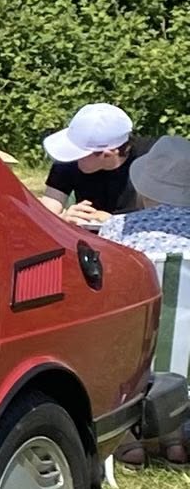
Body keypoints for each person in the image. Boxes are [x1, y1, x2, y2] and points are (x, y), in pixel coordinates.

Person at [99, 135, 190, 466]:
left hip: (134, 353)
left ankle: (127, 434)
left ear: (144, 188)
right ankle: (176, 431)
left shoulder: (118, 229)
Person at [42, 102, 155, 225]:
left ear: (107, 154)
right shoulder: (67, 162)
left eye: (78, 154)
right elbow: (45, 217)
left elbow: (168, 219)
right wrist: (63, 219)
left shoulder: (154, 159)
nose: (72, 159)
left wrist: (113, 223)